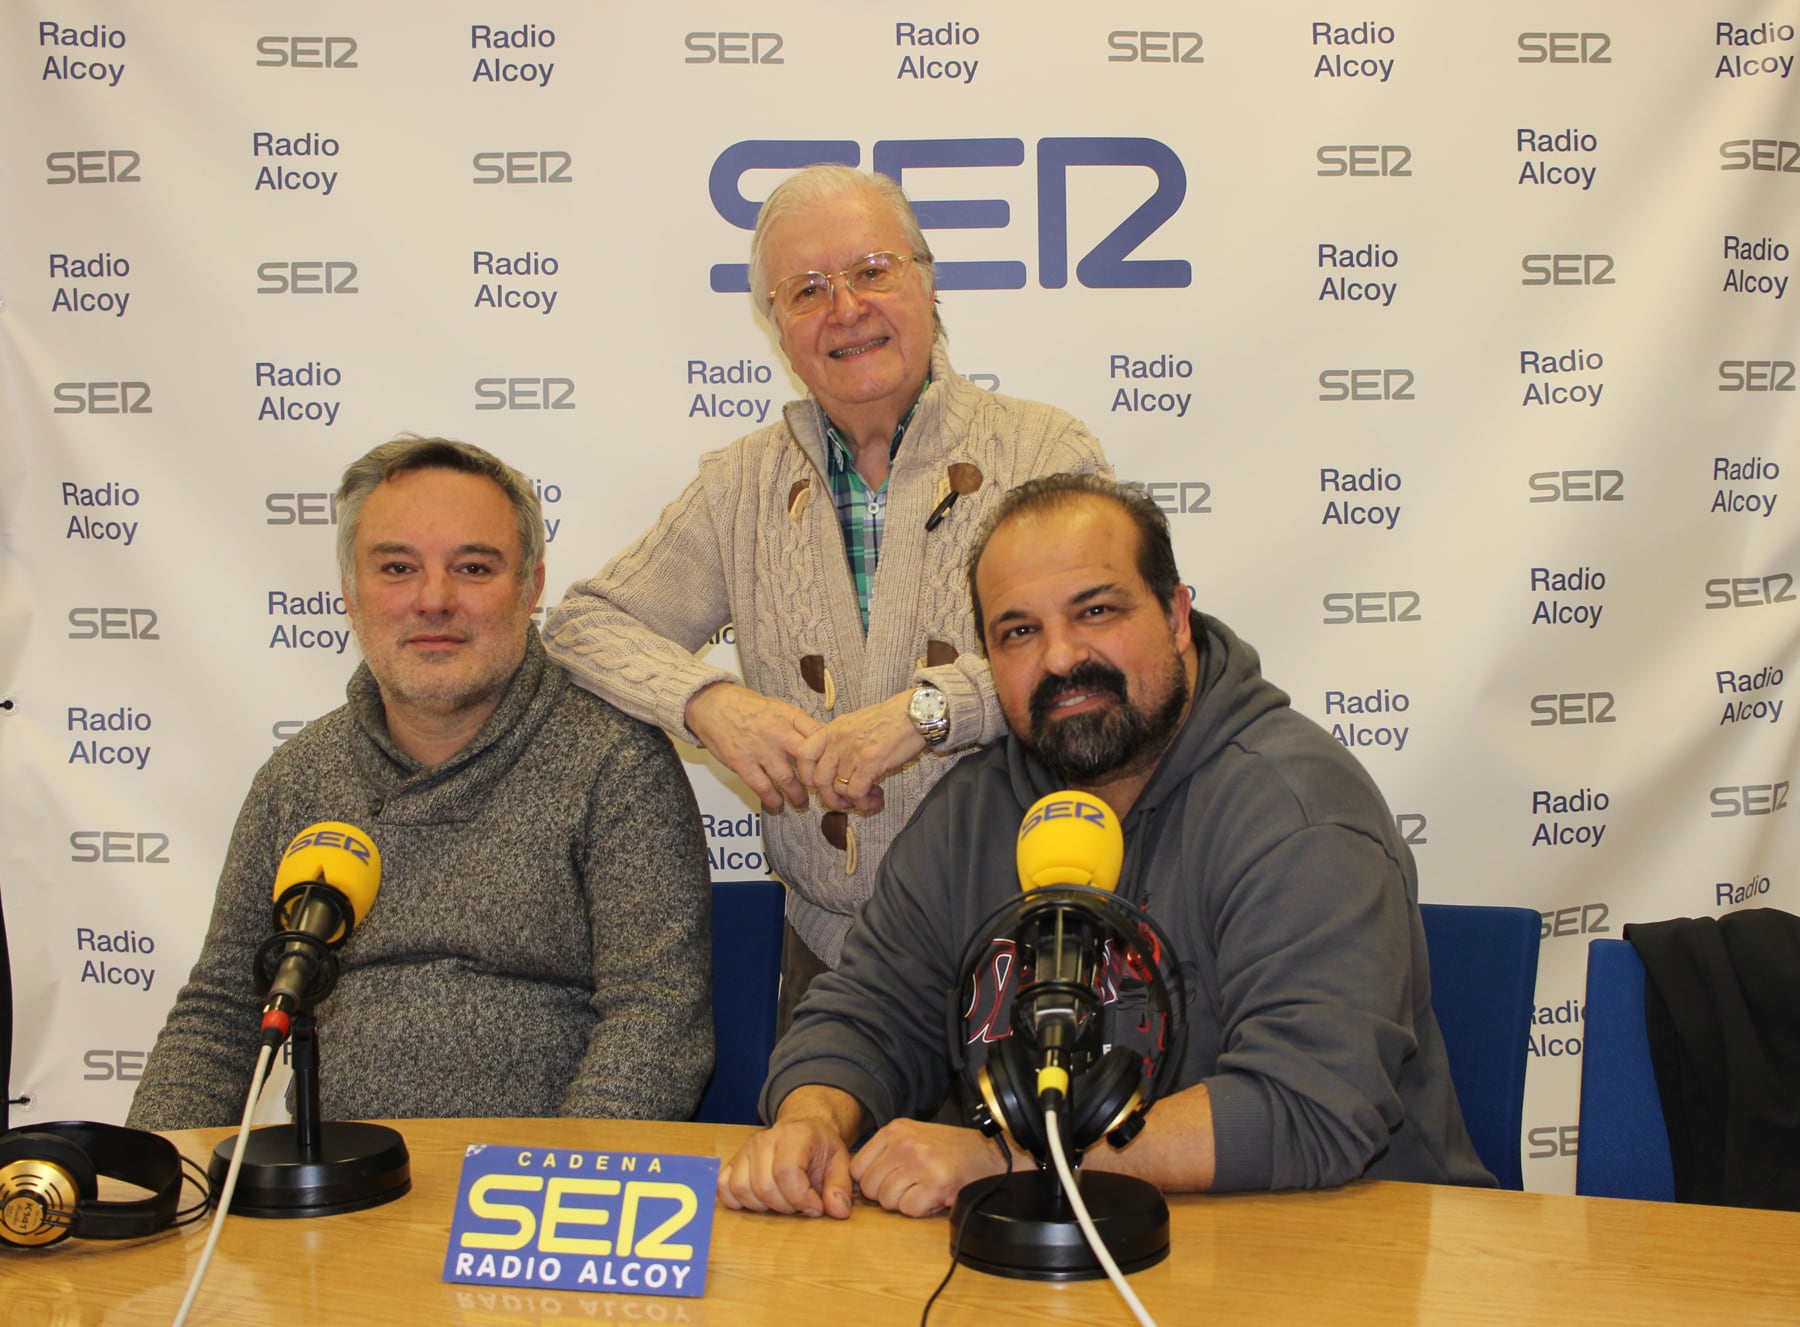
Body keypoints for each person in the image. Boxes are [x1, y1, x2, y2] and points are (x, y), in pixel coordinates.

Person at [718, 474, 1492, 1218]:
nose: (1059, 657)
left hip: (1339, 1258)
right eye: (1019, 631)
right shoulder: (976, 807)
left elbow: (1310, 1107)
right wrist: (812, 1118)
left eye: (1095, 611)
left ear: (1177, 616)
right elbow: (871, 1013)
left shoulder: (1297, 806)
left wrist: (1012, 1158)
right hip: (1073, 1264)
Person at [545, 165, 1109, 1016]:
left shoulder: (1043, 451)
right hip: (827, 957)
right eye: (805, 290)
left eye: (873, 271)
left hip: (1025, 942)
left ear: (928, 281)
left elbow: (1101, 648)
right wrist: (711, 703)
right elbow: (585, 623)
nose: (845, 308)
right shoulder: (740, 486)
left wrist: (928, 712)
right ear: (776, 326)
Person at [128, 437, 713, 1128]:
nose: (434, 599)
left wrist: (549, 1190)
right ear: (349, 592)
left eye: (473, 566)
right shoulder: (297, 778)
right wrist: (152, 1179)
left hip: (522, 1206)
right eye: (397, 567)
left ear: (531, 587)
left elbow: (657, 1019)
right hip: (329, 1194)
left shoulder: (615, 764)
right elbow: (222, 1012)